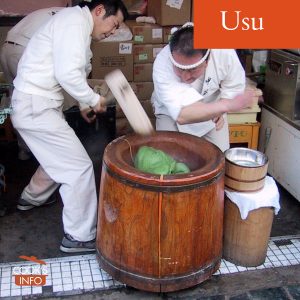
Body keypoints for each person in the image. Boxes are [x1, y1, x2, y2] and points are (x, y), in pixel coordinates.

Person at [10, 0, 128, 253]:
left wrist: (84, 105)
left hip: (38, 105)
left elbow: (69, 71)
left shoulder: (77, 27)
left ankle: (31, 199)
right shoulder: (74, 21)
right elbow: (67, 74)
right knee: (78, 168)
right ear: (99, 11)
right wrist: (94, 100)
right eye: (114, 24)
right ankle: (79, 236)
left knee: (58, 158)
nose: (113, 31)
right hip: (36, 107)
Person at [151, 23, 255, 152]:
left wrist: (221, 109)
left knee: (220, 156)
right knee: (168, 157)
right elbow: (182, 115)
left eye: (192, 69)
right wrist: (226, 105)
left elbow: (233, 86)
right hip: (170, 112)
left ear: (207, 60)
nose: (185, 77)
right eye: (179, 68)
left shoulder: (224, 53)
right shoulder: (162, 62)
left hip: (212, 110)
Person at [0, 7, 65, 160]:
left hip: (6, 48)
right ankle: (50, 154)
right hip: (25, 51)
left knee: (17, 99)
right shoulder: (76, 21)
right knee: (45, 101)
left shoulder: (54, 12)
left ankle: (23, 150)